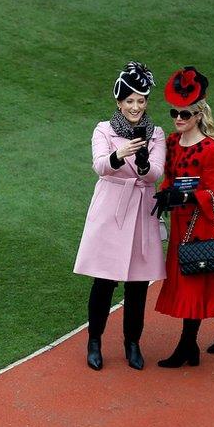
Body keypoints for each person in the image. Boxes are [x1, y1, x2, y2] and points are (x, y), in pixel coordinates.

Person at [73, 61, 167, 371]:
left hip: (141, 210)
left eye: (141, 101)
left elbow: (156, 173)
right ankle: (95, 340)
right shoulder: (104, 129)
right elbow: (100, 165)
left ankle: (132, 343)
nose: (136, 106)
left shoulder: (156, 134)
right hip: (111, 208)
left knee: (138, 284)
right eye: (130, 101)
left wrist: (142, 165)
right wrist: (120, 154)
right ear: (119, 102)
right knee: (104, 280)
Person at [153, 66, 214, 367]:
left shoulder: (210, 150)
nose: (178, 119)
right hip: (181, 225)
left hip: (201, 224)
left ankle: (187, 347)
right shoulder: (170, 143)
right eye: (174, 113)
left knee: (194, 284)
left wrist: (189, 196)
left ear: (198, 116)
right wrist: (166, 195)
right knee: (198, 284)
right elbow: (168, 178)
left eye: (185, 114)